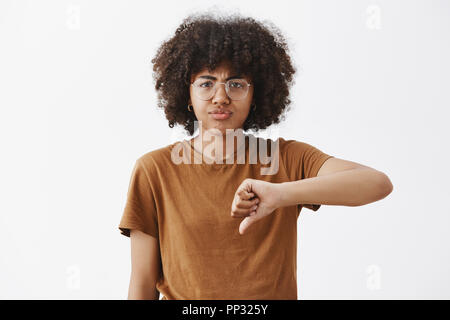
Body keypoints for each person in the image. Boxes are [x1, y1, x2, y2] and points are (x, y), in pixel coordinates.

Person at [118, 12, 393, 300]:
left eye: (236, 84)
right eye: (206, 83)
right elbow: (142, 283)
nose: (221, 97)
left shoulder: (285, 158)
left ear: (255, 94)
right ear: (186, 94)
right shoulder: (154, 170)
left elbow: (376, 183)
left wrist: (281, 194)